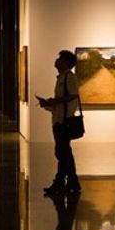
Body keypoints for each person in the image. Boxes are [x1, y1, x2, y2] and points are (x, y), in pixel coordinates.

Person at [36, 50, 82, 195]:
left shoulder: (69, 77)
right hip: (58, 120)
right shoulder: (62, 78)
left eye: (60, 59)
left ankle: (59, 183)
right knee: (65, 153)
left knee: (62, 153)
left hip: (64, 121)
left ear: (66, 62)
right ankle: (73, 182)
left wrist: (53, 101)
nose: (56, 61)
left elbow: (73, 96)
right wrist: (48, 104)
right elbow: (62, 102)